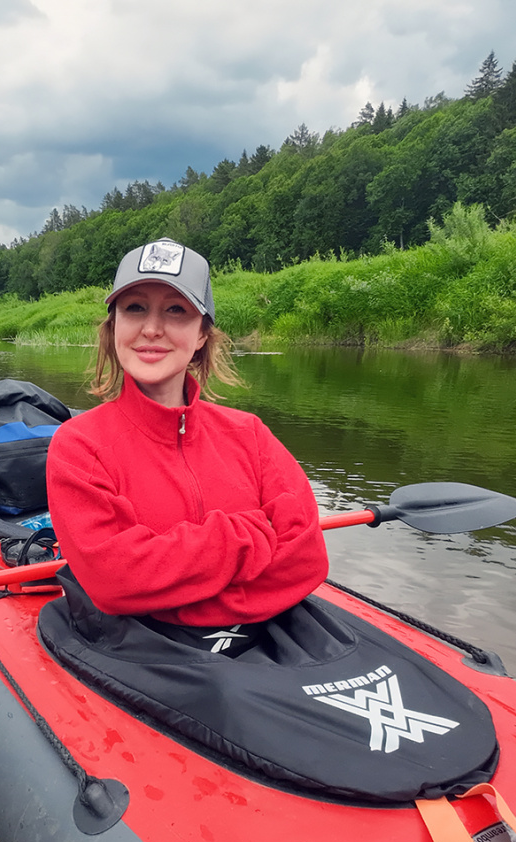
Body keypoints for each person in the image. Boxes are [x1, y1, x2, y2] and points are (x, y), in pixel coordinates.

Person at [45, 238, 328, 629]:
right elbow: (113, 581)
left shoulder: (251, 435)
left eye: (176, 310)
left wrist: (173, 603)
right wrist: (245, 536)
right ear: (114, 327)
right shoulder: (79, 446)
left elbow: (307, 560)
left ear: (200, 335)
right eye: (135, 308)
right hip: (147, 665)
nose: (151, 328)